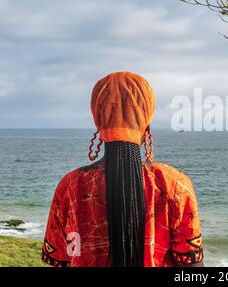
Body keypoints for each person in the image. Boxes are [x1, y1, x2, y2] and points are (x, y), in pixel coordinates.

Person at [41, 71, 204, 267]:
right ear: (146, 125)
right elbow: (191, 265)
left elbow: (61, 258)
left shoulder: (70, 186)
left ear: (98, 121)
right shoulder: (175, 185)